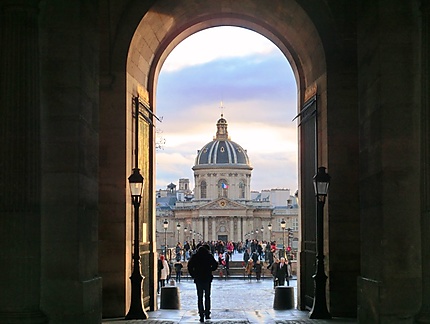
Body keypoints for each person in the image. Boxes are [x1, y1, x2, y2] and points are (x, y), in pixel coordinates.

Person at [187, 244, 218, 323]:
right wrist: (210, 269)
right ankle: (207, 313)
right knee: (207, 296)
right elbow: (215, 265)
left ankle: (201, 314)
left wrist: (193, 275)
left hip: (198, 279)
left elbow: (189, 266)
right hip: (207, 278)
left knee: (199, 297)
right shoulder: (209, 256)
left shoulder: (195, 256)